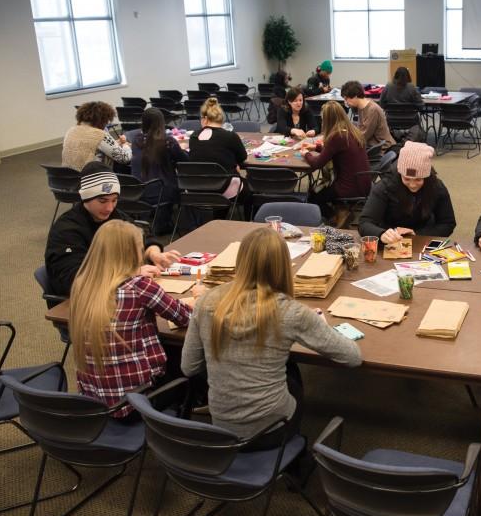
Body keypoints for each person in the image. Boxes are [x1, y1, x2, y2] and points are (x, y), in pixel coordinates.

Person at [180, 228, 362, 444]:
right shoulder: (291, 312)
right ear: (284, 265)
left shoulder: (206, 302)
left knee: (286, 367)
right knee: (292, 374)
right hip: (270, 431)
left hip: (221, 428)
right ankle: (293, 449)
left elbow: (189, 367)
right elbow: (353, 357)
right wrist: (317, 327)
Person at [69, 220, 202, 419]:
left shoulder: (82, 285)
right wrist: (200, 299)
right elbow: (189, 318)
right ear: (132, 253)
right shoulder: (139, 287)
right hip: (137, 403)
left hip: (95, 400)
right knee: (190, 365)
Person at [45, 162, 181, 297]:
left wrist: (153, 253)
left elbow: (142, 236)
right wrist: (130, 273)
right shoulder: (67, 230)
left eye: (114, 200)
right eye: (102, 201)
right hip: (83, 303)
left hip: (112, 292)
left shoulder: (115, 216)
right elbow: (74, 279)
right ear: (85, 197)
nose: (109, 208)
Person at [358, 141, 456, 243]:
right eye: (407, 179)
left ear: (426, 177)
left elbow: (448, 223)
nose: (412, 185)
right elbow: (364, 223)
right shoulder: (385, 187)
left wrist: (418, 234)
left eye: (418, 179)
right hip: (389, 235)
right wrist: (381, 234)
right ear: (400, 174)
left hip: (423, 236)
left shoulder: (437, 187)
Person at [301, 101, 372, 221]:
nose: (322, 122)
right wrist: (317, 148)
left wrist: (306, 154)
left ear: (328, 120)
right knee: (320, 192)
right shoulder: (350, 131)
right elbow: (336, 151)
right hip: (363, 183)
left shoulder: (337, 136)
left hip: (349, 187)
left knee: (313, 197)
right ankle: (341, 209)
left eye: (323, 119)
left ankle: (336, 216)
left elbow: (317, 164)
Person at [127, 108, 188, 235]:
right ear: (161, 122)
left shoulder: (136, 140)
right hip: (162, 191)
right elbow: (184, 161)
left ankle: (160, 220)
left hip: (139, 192)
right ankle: (173, 223)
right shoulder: (167, 142)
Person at [187, 97, 250, 219]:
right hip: (223, 188)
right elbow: (243, 157)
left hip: (197, 188)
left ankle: (215, 219)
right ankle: (248, 221)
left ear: (205, 119)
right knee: (250, 189)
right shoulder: (230, 136)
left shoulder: (194, 137)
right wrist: (233, 164)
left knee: (220, 177)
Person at [62, 101, 132, 170]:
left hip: (69, 176)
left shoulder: (71, 130)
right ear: (102, 120)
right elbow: (124, 158)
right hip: (90, 178)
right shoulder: (99, 135)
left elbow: (93, 145)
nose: (106, 124)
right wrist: (126, 146)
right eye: (107, 121)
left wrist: (117, 143)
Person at [342, 80, 393, 152]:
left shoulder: (372, 110)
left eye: (346, 98)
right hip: (372, 145)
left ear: (355, 96)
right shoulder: (361, 106)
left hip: (381, 148)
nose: (346, 102)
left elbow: (363, 136)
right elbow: (360, 129)